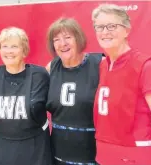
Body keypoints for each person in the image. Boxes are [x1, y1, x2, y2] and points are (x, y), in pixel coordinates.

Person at [92, 4, 151, 165]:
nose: (105, 32)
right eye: (100, 27)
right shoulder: (104, 65)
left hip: (134, 152)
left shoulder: (144, 65)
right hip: (105, 152)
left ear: (127, 30)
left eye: (112, 26)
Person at [0, 27, 52, 165]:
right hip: (3, 146)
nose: (9, 51)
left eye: (14, 46)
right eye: (4, 46)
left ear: (24, 50)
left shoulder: (39, 75)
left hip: (35, 147)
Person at [45, 18, 102, 165]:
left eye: (68, 37)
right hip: (59, 153)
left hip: (93, 154)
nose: (62, 44)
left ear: (79, 38)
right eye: (56, 39)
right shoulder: (51, 67)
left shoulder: (99, 64)